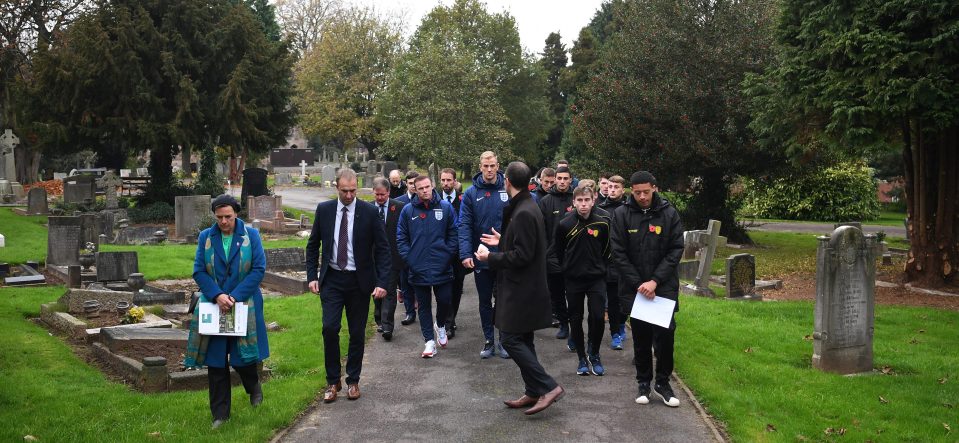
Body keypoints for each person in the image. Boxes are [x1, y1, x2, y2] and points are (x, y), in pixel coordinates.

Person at [475, 161, 564, 415]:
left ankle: (549, 386)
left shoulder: (524, 210)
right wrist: (502, 241)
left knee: (510, 338)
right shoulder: (526, 206)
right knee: (524, 338)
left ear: (507, 182)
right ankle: (533, 390)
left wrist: (489, 258)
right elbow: (526, 245)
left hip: (521, 289)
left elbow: (523, 255)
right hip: (524, 287)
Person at [305, 169, 391, 404]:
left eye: (353, 191)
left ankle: (353, 380)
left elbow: (383, 249)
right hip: (332, 279)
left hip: (359, 281)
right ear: (337, 188)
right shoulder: (324, 211)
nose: (350, 196)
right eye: (345, 191)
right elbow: (312, 245)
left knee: (356, 332)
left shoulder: (370, 212)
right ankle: (333, 381)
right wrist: (312, 275)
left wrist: (383, 282)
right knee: (329, 328)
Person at [187, 194, 269, 429]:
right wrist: (217, 295)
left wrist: (234, 296)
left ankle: (253, 387)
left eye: (228, 217)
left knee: (243, 358)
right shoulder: (206, 237)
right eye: (219, 217)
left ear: (236, 214)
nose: (224, 222)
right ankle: (220, 415)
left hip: (244, 304)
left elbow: (258, 269)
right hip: (215, 305)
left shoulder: (250, 235)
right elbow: (199, 271)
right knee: (216, 362)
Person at [610, 171, 684, 407]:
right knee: (640, 336)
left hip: (663, 287)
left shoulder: (669, 213)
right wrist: (639, 284)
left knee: (665, 337)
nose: (642, 196)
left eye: (646, 191)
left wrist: (655, 281)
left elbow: (675, 249)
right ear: (631, 190)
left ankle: (663, 382)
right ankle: (643, 382)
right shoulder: (622, 215)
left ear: (654, 188)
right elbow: (618, 253)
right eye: (637, 192)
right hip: (636, 288)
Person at [551, 184, 611, 376]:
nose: (583, 205)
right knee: (575, 318)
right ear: (574, 202)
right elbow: (559, 252)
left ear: (593, 201)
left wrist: (599, 267)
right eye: (580, 201)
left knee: (597, 316)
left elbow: (607, 250)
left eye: (587, 200)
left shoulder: (603, 223)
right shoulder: (564, 225)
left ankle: (594, 352)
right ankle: (582, 358)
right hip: (574, 279)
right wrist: (568, 268)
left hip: (596, 279)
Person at [397, 175, 458, 357]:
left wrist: (447, 255)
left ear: (432, 186)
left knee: (445, 301)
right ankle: (429, 342)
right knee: (423, 305)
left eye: (427, 187)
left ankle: (440, 325)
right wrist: (411, 260)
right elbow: (401, 238)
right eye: (421, 188)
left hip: (442, 266)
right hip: (418, 268)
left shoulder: (445, 208)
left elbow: (453, 234)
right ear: (415, 190)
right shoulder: (408, 211)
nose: (425, 190)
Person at [458, 151, 511, 359]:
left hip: (504, 257)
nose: (489, 170)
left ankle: (503, 340)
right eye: (485, 166)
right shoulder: (471, 193)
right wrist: (465, 253)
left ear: (498, 166)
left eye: (493, 166)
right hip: (481, 258)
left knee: (504, 299)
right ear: (480, 167)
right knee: (484, 301)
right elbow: (464, 225)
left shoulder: (507, 189)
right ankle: (489, 339)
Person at [538, 166, 575, 343]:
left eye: (565, 178)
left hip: (574, 256)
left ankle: (575, 328)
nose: (561, 181)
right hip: (552, 256)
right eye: (559, 178)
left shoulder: (576, 199)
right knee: (557, 294)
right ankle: (563, 324)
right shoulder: (546, 201)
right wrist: (545, 252)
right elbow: (541, 230)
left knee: (574, 294)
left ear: (570, 180)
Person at [371, 177, 405, 341]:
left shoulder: (398, 208)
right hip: (372, 259)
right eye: (377, 195)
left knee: (389, 292)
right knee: (376, 291)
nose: (380, 198)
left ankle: (387, 326)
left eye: (383, 195)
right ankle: (379, 318)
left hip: (392, 257)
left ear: (389, 193)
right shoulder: (368, 209)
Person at [599, 175, 628, 350]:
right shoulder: (601, 209)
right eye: (610, 187)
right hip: (605, 261)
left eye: (616, 187)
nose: (612, 190)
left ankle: (622, 324)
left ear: (622, 190)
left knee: (623, 300)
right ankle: (615, 333)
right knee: (611, 300)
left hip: (624, 262)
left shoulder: (628, 209)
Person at [439, 168, 467, 338]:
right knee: (443, 289)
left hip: (458, 253)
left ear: (455, 181)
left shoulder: (463, 202)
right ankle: (447, 321)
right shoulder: (435, 201)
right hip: (441, 252)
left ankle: (451, 318)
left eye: (449, 180)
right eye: (443, 180)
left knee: (456, 288)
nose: (446, 183)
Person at [396, 170, 419, 325]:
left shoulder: (426, 200)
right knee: (405, 283)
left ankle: (423, 309)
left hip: (421, 248)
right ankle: (410, 312)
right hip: (404, 249)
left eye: (415, 183)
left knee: (420, 282)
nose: (413, 186)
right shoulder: (398, 202)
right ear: (406, 184)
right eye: (410, 183)